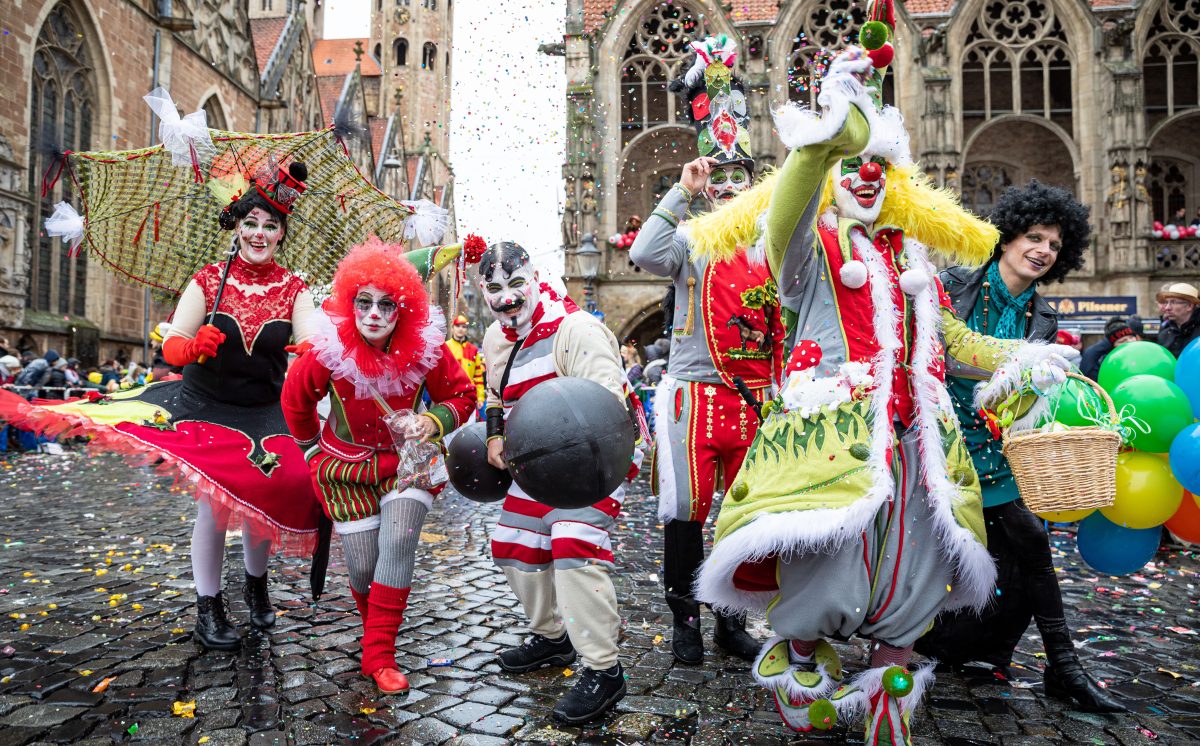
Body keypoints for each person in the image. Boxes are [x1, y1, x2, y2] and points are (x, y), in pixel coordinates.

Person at [692, 30, 1074, 742]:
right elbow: (787, 211)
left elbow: (952, 343)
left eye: (876, 164)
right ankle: (800, 672)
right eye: (851, 165)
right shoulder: (808, 251)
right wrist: (822, 140)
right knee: (828, 573)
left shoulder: (913, 261)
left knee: (913, 584)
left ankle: (887, 699)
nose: (865, 175)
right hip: (832, 445)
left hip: (916, 449)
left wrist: (1018, 357)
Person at [0, 161, 325, 651]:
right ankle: (208, 608)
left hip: (264, 409)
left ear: (282, 233)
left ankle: (256, 586)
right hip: (205, 407)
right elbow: (173, 341)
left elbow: (312, 339)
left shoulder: (294, 290)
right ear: (236, 227)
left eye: (270, 226)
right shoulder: (208, 279)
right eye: (250, 224)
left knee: (266, 498)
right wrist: (192, 347)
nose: (259, 234)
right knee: (214, 511)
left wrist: (309, 352)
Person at [918, 181, 1124, 713]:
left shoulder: (1045, 317)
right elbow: (937, 354)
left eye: (1055, 246)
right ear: (1006, 239)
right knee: (949, 549)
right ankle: (933, 645)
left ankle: (1060, 666)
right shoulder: (952, 285)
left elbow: (1033, 393)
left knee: (1028, 541)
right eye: (1034, 237)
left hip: (1000, 444)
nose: (1043, 251)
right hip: (940, 434)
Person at [629, 35, 785, 665]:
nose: (724, 184)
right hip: (694, 397)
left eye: (734, 174)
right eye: (714, 173)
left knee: (743, 520)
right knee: (685, 518)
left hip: (755, 399)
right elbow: (643, 255)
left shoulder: (774, 242)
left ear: (752, 181)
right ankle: (685, 621)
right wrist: (681, 190)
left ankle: (730, 621)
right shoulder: (691, 238)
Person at [282, 237, 475, 695]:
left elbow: (461, 396)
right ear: (350, 304)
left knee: (398, 545)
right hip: (344, 469)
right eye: (363, 302)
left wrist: (432, 419)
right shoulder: (326, 352)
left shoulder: (428, 347)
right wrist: (311, 453)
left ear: (401, 310)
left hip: (409, 463)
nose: (373, 313)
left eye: (385, 304)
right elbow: (296, 403)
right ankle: (377, 633)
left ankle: (380, 654)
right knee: (364, 569)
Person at [479, 240, 638, 724]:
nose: (507, 297)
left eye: (514, 283)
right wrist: (495, 436)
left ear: (535, 277)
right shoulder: (495, 338)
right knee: (513, 545)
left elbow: (605, 409)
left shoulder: (577, 329)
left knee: (573, 548)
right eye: (494, 288)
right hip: (535, 466)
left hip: (592, 465)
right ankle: (554, 637)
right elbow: (493, 395)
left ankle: (603, 668)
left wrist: (583, 469)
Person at [1079, 316, 1143, 381]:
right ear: (1112, 346)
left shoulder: (1143, 355)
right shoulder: (1105, 365)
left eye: (1131, 337)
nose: (1130, 342)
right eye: (1123, 341)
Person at [446, 314, 486, 411]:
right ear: (452, 328)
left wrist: (480, 398)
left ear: (466, 329)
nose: (461, 329)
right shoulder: (446, 347)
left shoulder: (473, 350)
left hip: (469, 396)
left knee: (469, 426)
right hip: (449, 396)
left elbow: (478, 376)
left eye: (463, 327)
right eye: (458, 326)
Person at [1156, 282, 1200, 357]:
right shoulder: (1165, 334)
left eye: (1173, 302)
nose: (1167, 308)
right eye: (1166, 302)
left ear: (1189, 306)